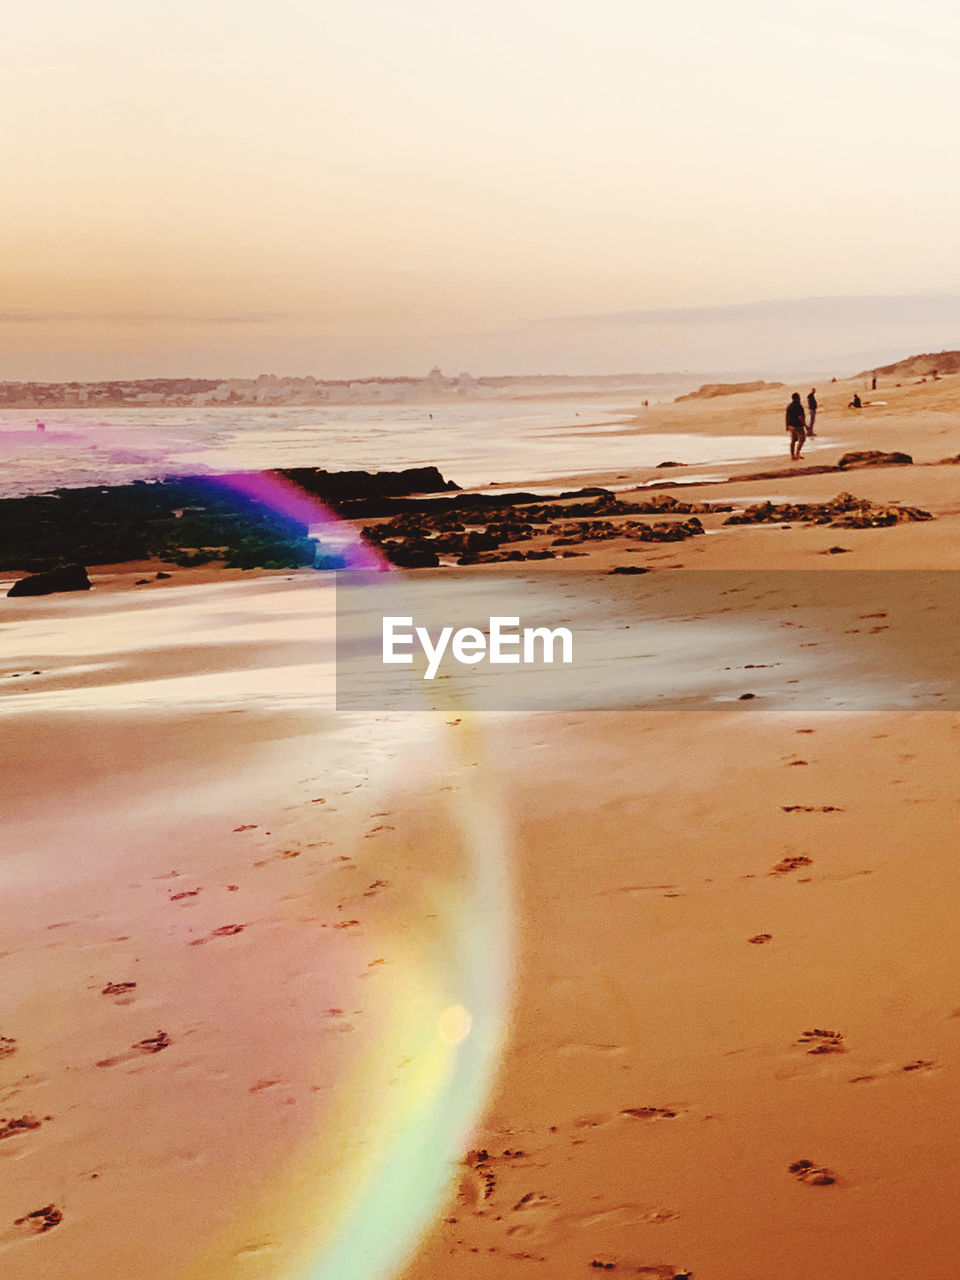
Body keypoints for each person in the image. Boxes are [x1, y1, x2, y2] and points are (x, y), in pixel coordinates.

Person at [785, 392, 806, 459]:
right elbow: (800, 417)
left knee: (793, 440)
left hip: (791, 425)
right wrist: (804, 424)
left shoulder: (789, 406)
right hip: (798, 425)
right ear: (797, 398)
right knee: (802, 439)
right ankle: (797, 453)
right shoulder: (799, 406)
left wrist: (787, 425)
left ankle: (792, 455)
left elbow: (787, 416)